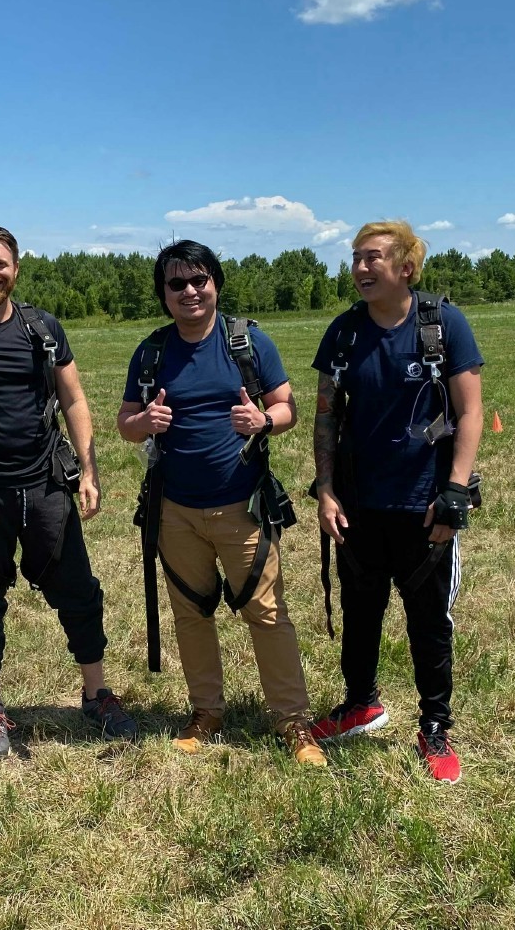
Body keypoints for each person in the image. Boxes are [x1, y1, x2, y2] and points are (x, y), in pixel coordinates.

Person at [0, 222, 137, 759]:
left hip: (45, 486)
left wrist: (88, 468)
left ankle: (95, 692)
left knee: (79, 592)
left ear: (15, 267)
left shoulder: (43, 328)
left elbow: (75, 399)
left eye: (1, 263)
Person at [117, 241, 325, 766]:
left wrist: (264, 421)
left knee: (268, 612)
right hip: (174, 510)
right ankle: (206, 711)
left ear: (215, 284)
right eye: (176, 284)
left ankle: (294, 723)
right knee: (190, 613)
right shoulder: (152, 352)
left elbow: (286, 406)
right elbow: (125, 423)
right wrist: (145, 424)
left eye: (199, 280)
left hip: (242, 505)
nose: (189, 291)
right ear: (163, 294)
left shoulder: (248, 342)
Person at [311, 220, 484, 783]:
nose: (360, 268)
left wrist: (455, 492)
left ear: (405, 268)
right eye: (356, 258)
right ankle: (362, 704)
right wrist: (328, 489)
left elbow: (470, 412)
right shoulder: (343, 334)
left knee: (429, 622)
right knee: (361, 615)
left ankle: (435, 725)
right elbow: (326, 416)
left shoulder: (442, 325)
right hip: (360, 507)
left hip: (425, 505)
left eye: (373, 258)